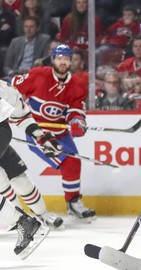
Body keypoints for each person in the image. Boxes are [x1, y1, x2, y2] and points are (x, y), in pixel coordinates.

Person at [10, 43, 97, 222]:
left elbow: (75, 110)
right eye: (59, 58)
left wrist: (77, 122)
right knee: (70, 161)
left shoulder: (77, 84)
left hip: (61, 133)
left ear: (71, 61)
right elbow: (12, 88)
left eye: (66, 58)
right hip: (39, 133)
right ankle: (70, 204)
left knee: (74, 163)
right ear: (53, 59)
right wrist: (8, 109)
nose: (63, 62)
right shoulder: (38, 75)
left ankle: (73, 203)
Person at [0, 79, 64, 258]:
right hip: (2, 133)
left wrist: (41, 137)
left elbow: (21, 115)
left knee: (20, 180)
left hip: (1, 132)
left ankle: (29, 219)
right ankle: (20, 218)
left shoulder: (3, 88)